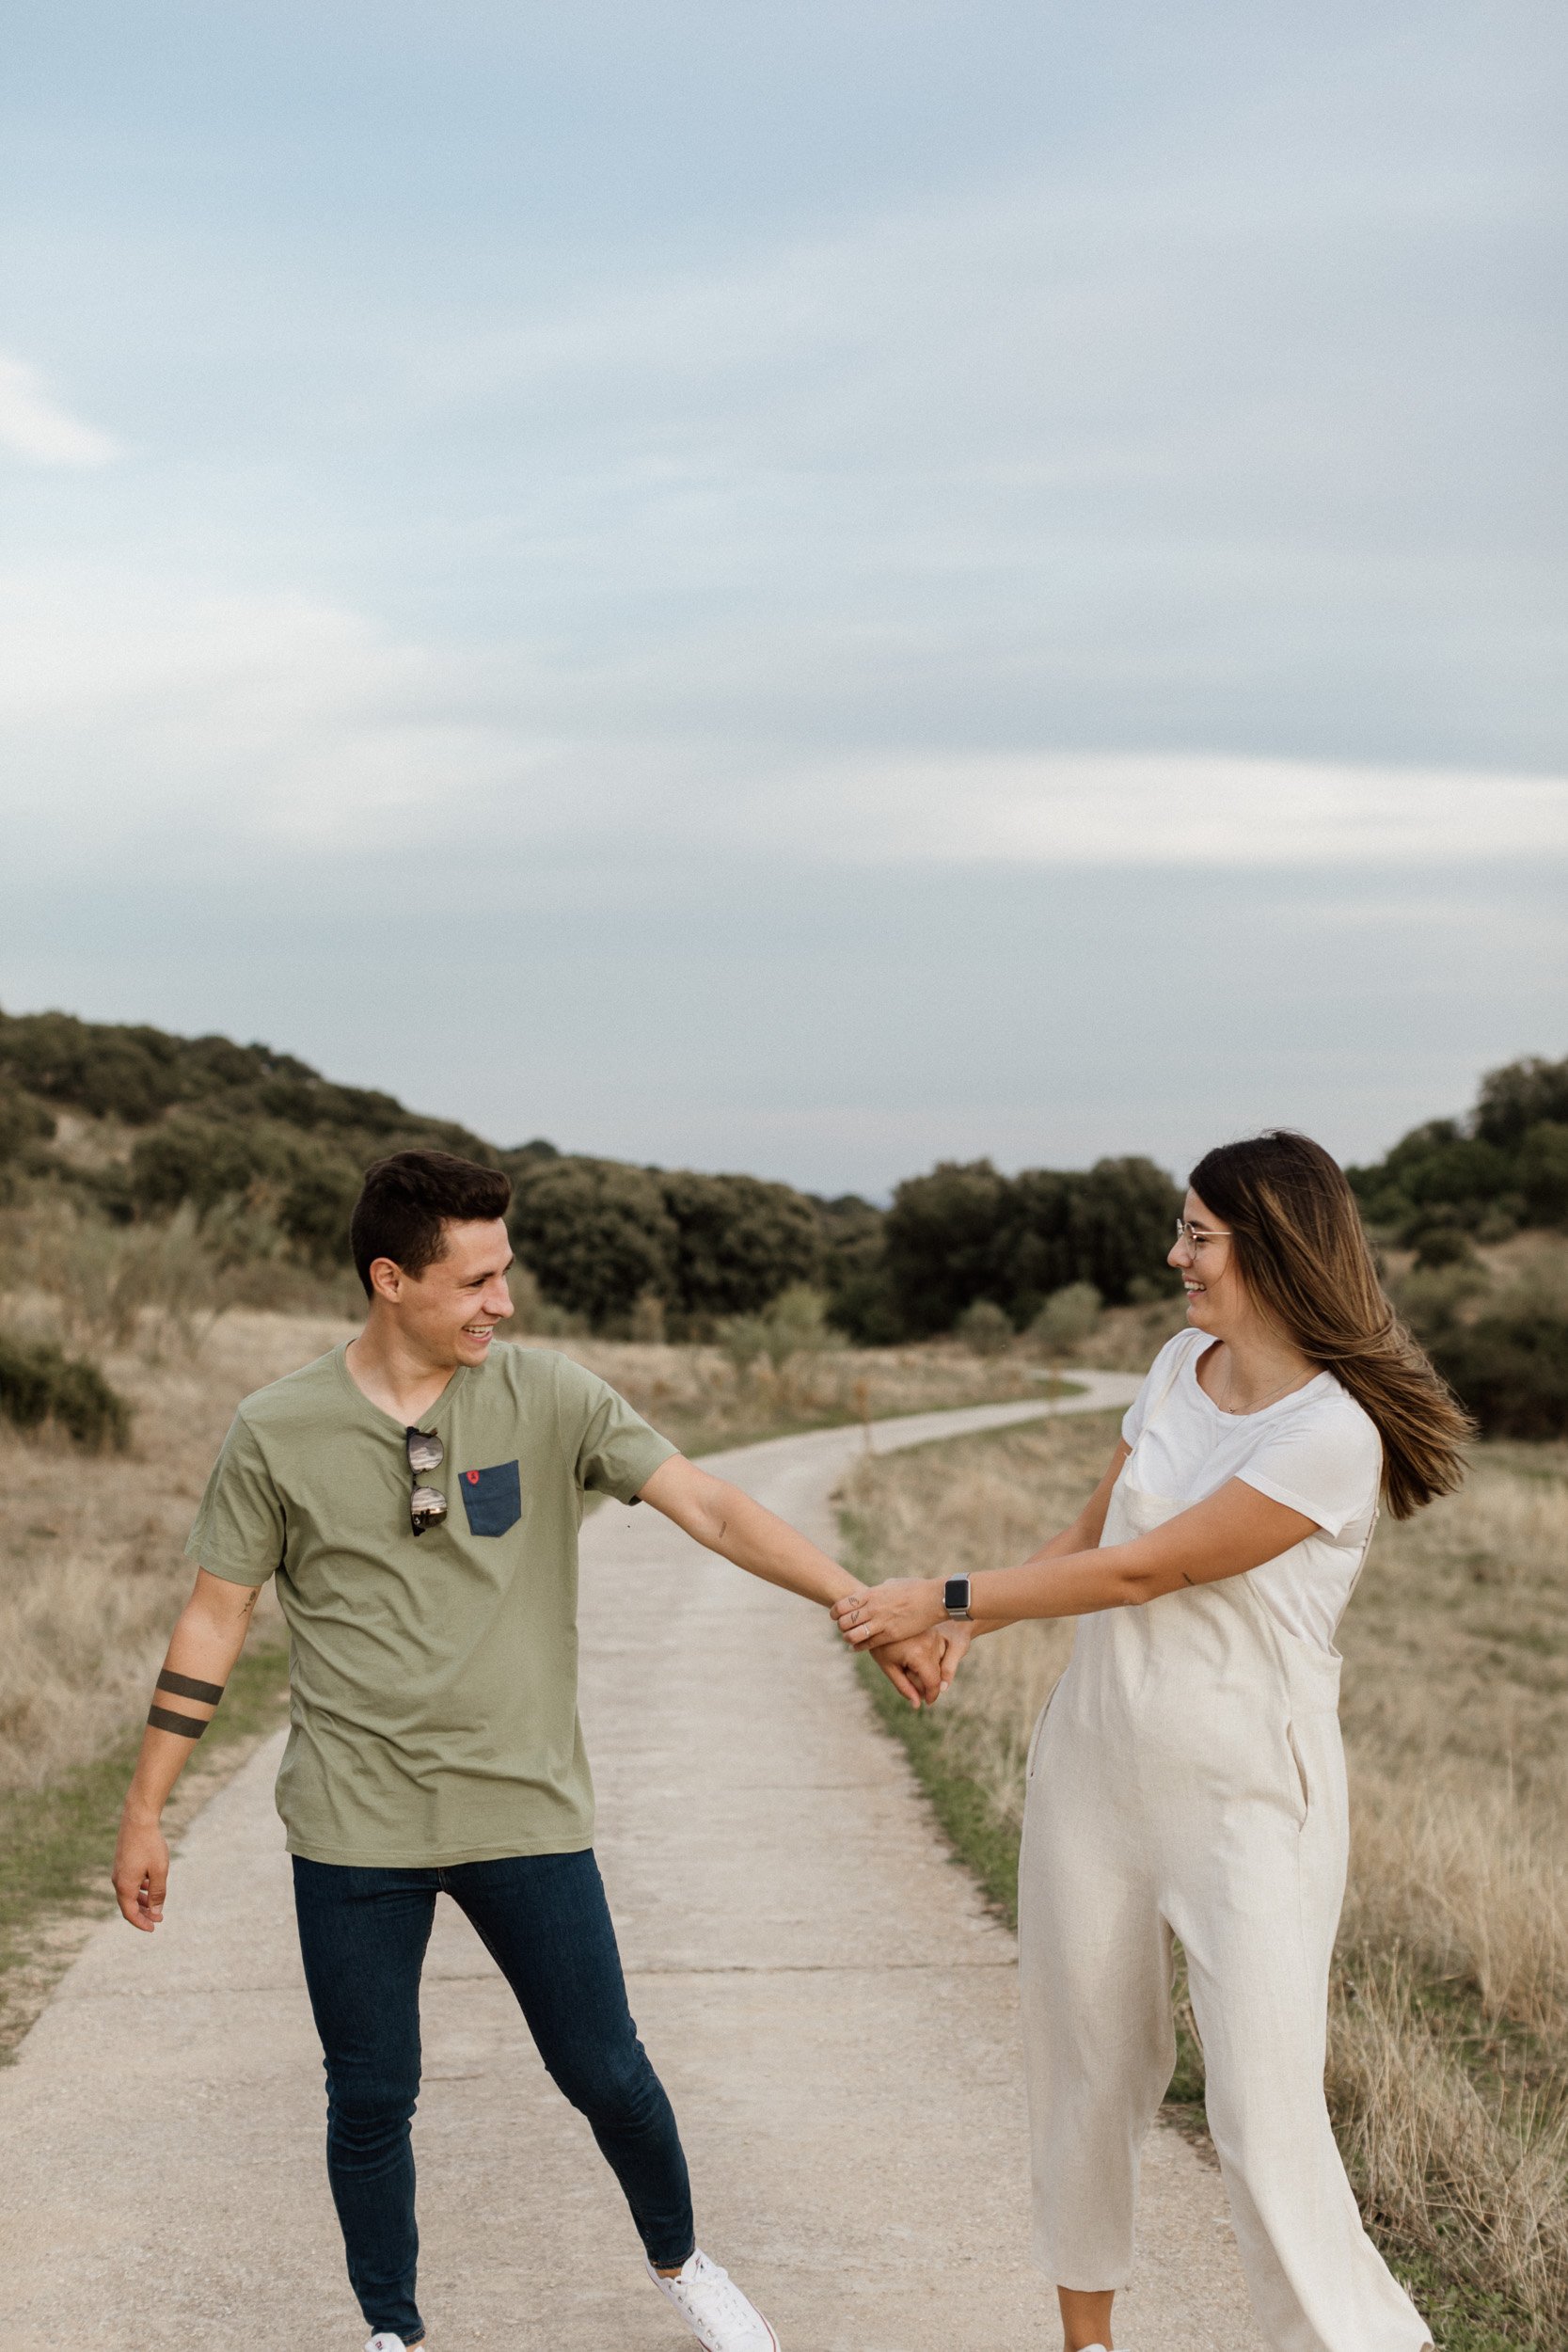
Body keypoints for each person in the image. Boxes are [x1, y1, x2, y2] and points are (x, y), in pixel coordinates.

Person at [113, 1148, 947, 2352]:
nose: (502, 1301)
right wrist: (146, 1807)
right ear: (389, 1277)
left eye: (505, 1272)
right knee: (370, 2097)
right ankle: (391, 2331)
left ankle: (683, 2262)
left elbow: (706, 1503)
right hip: (355, 1826)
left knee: (608, 2073)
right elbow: (215, 1615)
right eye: (476, 1280)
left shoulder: (549, 1395)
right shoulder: (276, 1429)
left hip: (526, 1815)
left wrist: (855, 1603)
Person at [832, 1130, 1469, 2352]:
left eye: (1195, 1234)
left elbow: (1144, 1572)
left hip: (1247, 1802)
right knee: (1081, 2073)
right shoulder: (1178, 1363)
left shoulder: (1332, 1432)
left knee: (1260, 2114)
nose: (1171, 1254)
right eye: (1178, 1228)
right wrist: (972, 1633)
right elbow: (1089, 1537)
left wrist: (944, 1595)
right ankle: (1085, 2344)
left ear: (1270, 1251)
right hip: (1093, 1773)